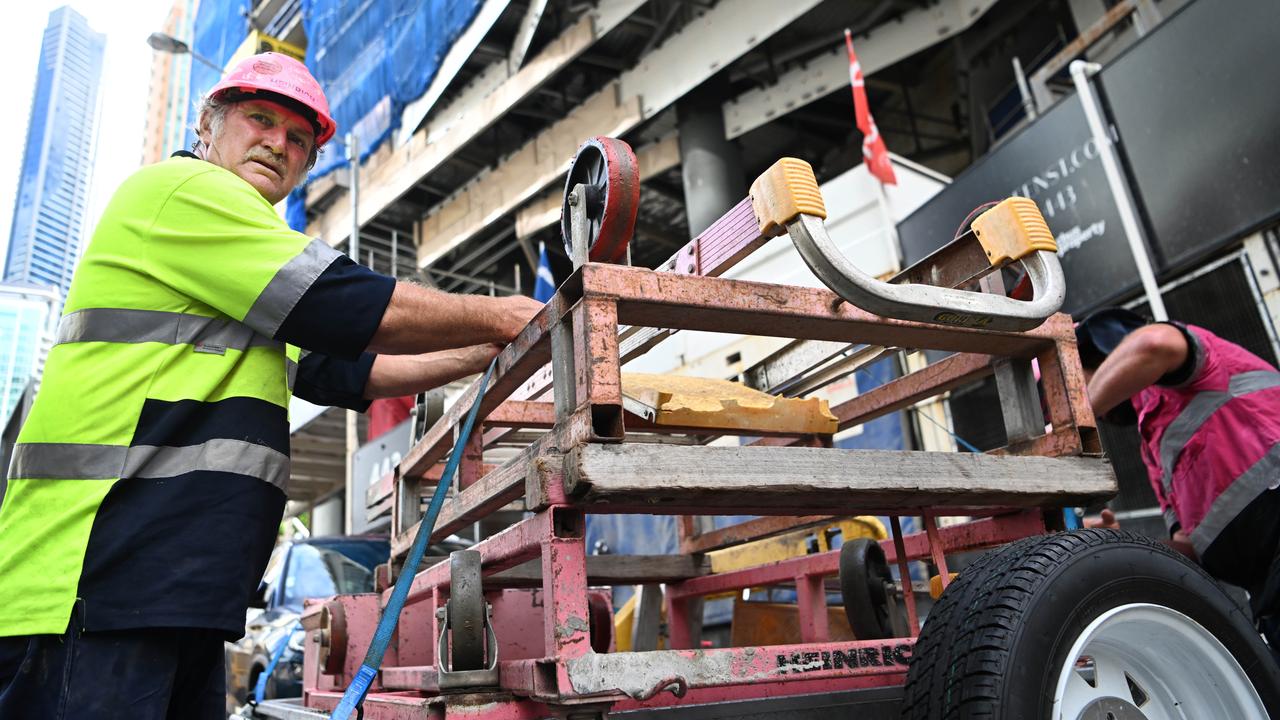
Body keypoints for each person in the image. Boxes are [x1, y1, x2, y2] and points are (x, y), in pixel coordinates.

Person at [0, 52, 542, 718]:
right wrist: (508, 312)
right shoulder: (183, 192)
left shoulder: (235, 282)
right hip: (89, 586)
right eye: (261, 120)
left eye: (298, 141)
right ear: (210, 125)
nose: (278, 145)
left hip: (168, 592)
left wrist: (486, 348)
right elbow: (353, 307)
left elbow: (356, 371)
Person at [1078, 306, 1280, 646]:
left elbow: (1153, 343)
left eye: (1071, 381)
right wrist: (1116, 544)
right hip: (1265, 592)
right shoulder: (1155, 447)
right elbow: (1189, 547)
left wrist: (1076, 417)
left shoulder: (1192, 369)